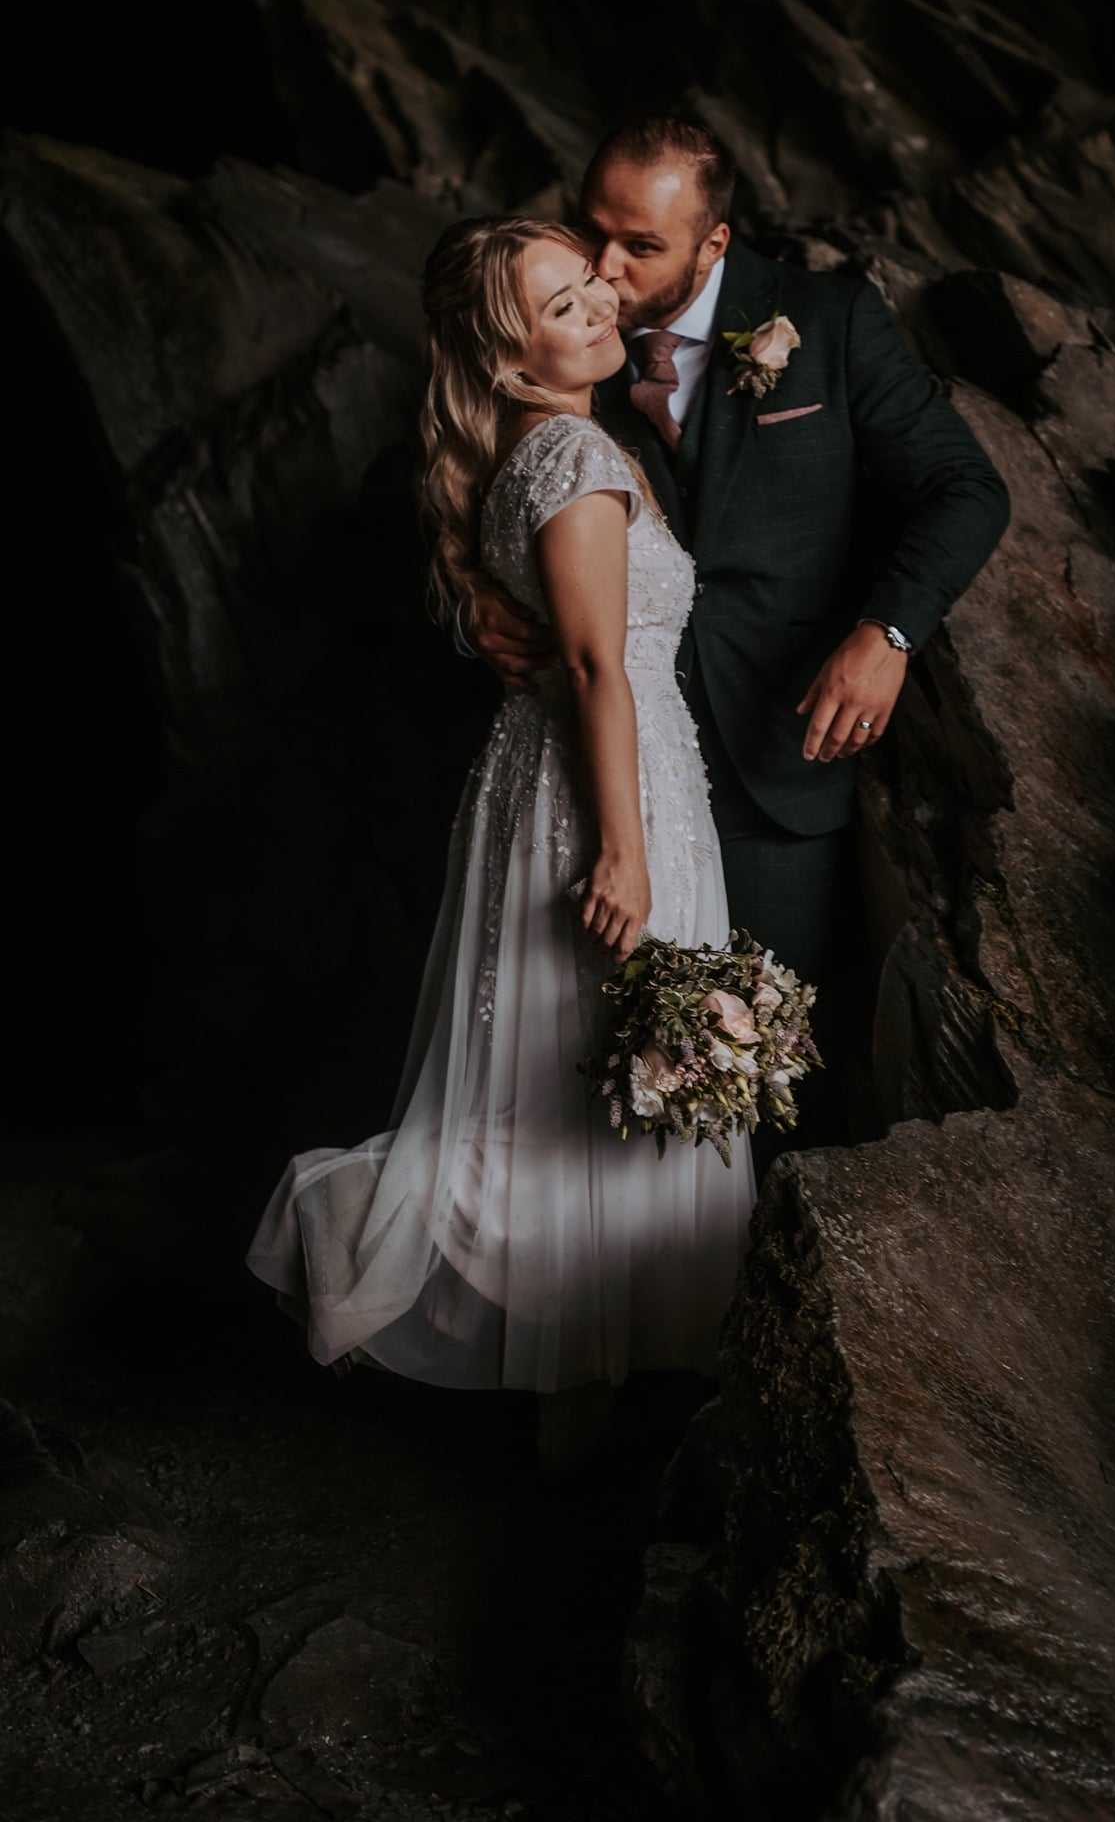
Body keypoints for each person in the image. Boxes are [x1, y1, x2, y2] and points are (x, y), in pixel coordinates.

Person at [245, 216, 755, 1470]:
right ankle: (555, 1376)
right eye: (559, 303)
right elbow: (590, 659)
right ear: (504, 346)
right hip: (603, 787)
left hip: (595, 768)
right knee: (584, 1081)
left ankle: (580, 1392)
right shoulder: (569, 453)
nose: (593, 307)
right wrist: (627, 851)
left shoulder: (549, 441)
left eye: (590, 286)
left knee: (573, 1074)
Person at [469, 118, 1011, 1161]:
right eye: (593, 234)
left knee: (753, 1080)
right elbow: (473, 475)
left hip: (778, 766)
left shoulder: (830, 321)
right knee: (570, 1079)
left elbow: (964, 487)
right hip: (598, 772)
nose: (607, 270)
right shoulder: (564, 328)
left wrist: (887, 629)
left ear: (714, 245)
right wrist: (468, 602)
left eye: (642, 246)